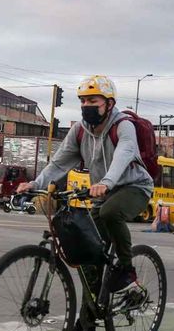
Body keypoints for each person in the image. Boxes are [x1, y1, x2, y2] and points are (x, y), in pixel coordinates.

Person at [17, 74, 154, 301]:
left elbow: (124, 153)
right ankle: (87, 322)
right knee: (89, 254)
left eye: (93, 101)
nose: (86, 106)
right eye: (83, 101)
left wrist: (106, 183)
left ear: (109, 103)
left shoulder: (123, 126)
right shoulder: (80, 131)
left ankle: (127, 270)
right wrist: (35, 183)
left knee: (111, 213)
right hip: (102, 192)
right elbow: (59, 163)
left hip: (134, 187)